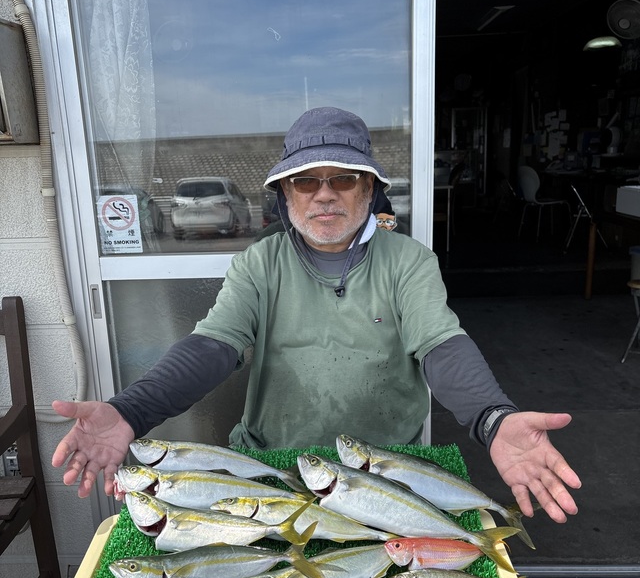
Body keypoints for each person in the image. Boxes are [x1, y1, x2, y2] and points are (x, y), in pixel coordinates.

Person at [52, 107, 581, 524]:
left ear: (369, 189)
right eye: (306, 181)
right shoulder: (260, 263)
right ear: (285, 194)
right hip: (275, 469)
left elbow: (441, 346)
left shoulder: (410, 262)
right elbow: (214, 346)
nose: (324, 194)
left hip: (385, 471)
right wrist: (131, 411)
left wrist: (493, 418)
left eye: (344, 178)